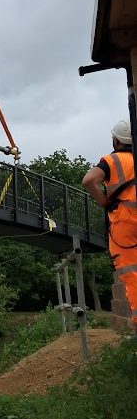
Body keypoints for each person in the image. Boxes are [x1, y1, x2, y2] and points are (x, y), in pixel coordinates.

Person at [82, 120, 137, 333]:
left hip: (124, 225)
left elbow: (88, 180)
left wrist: (104, 202)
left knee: (132, 274)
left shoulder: (111, 160)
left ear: (116, 140)